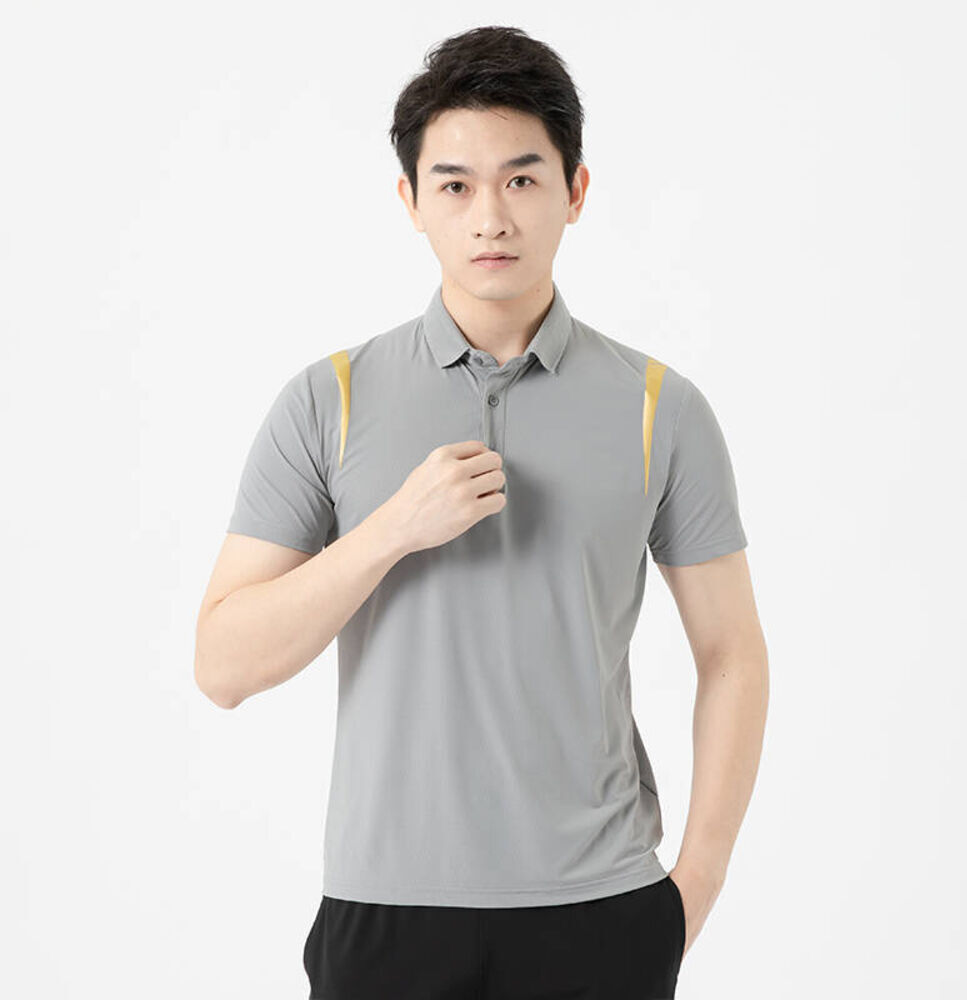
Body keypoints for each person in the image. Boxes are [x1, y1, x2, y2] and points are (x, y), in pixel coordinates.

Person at [195, 24, 768, 1000]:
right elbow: (223, 665)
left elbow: (732, 654)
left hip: (602, 911)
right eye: (455, 185)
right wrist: (390, 531)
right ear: (411, 203)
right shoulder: (329, 400)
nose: (490, 217)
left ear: (574, 191)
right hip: (384, 914)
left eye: (522, 179)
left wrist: (693, 886)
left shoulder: (659, 409)